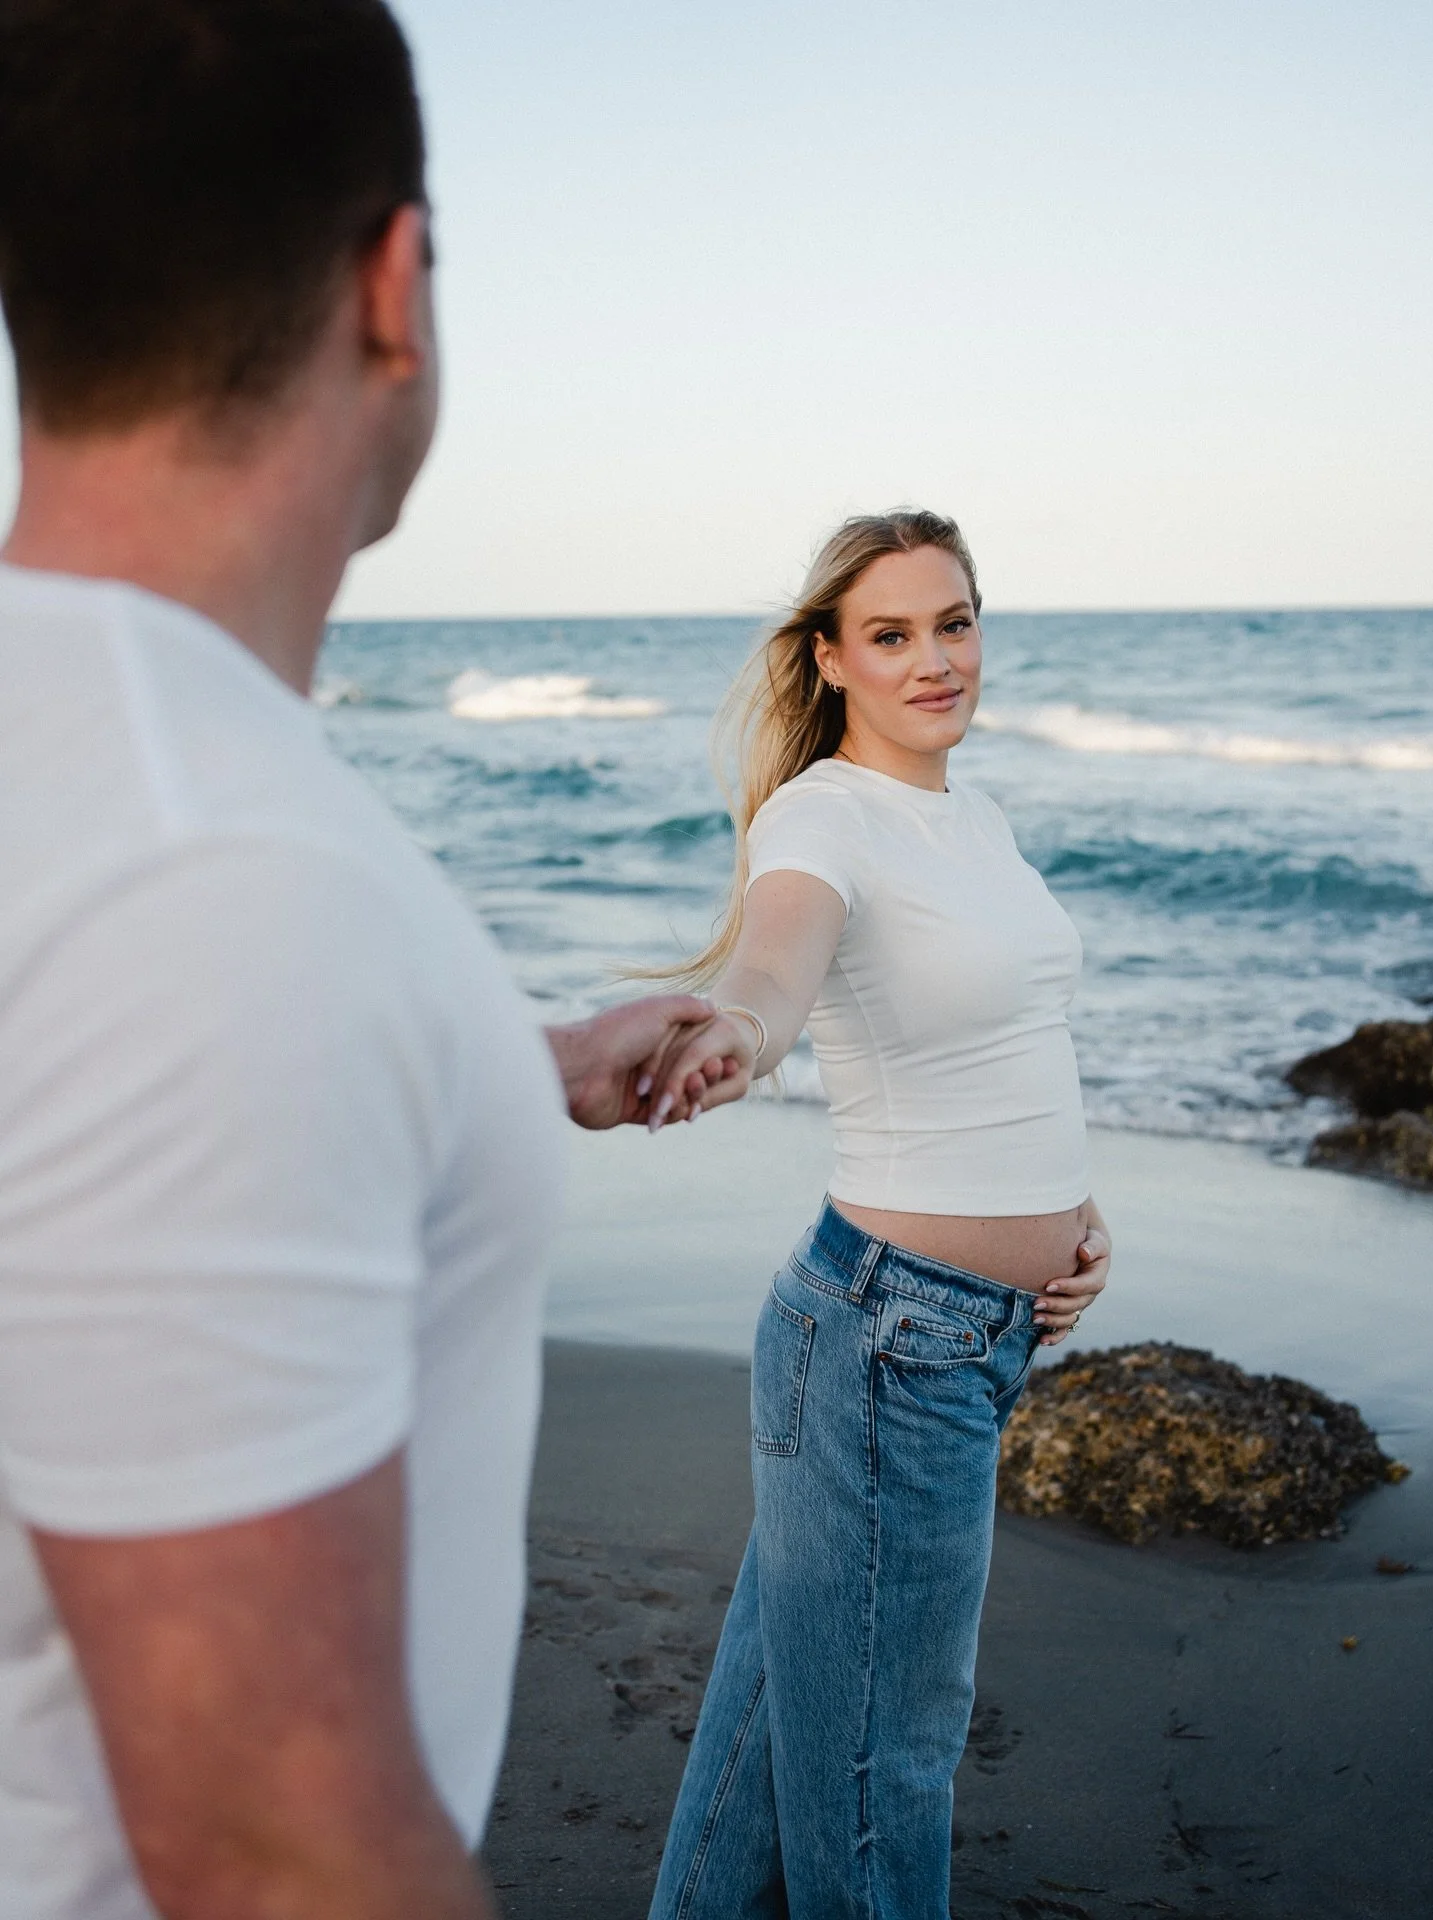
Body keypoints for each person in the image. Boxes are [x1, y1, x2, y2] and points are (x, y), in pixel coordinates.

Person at [0, 5, 743, 1917]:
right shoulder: (214, 880)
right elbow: (275, 1850)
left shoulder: (98, 782)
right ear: (394, 283)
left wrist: (524, 1058)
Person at [637, 510, 1113, 1919]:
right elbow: (779, 966)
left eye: (954, 623)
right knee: (880, 1774)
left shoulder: (977, 815)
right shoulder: (821, 814)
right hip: (888, 1344)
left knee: (767, 1756)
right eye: (891, 634)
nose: (933, 660)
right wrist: (738, 1033)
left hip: (962, 1333)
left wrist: (1070, 1212)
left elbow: (1008, 1040)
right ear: (834, 660)